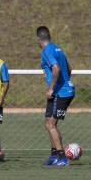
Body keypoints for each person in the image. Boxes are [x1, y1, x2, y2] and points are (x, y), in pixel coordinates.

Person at [36, 26, 75, 166]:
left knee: (51, 124)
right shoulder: (57, 48)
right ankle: (53, 156)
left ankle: (62, 158)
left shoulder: (46, 50)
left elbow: (56, 69)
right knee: (49, 122)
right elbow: (69, 68)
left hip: (60, 92)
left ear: (38, 39)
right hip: (64, 90)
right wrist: (65, 82)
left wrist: (52, 88)